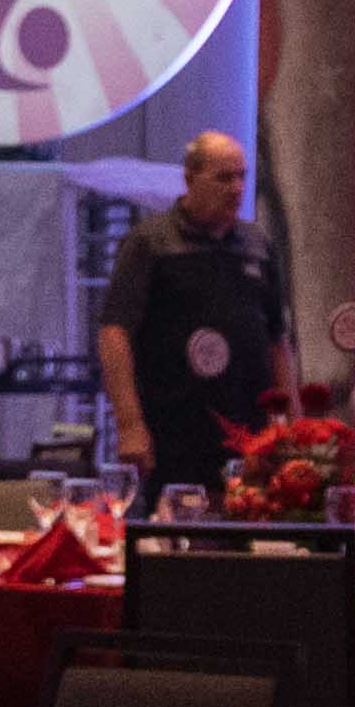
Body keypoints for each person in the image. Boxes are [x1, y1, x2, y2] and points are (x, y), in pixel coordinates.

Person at [89, 129, 287, 497]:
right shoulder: (149, 243)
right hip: (175, 432)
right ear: (190, 178)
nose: (236, 188)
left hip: (252, 437)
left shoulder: (258, 245)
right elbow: (114, 332)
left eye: (241, 176)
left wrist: (288, 425)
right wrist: (129, 425)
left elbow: (277, 340)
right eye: (223, 178)